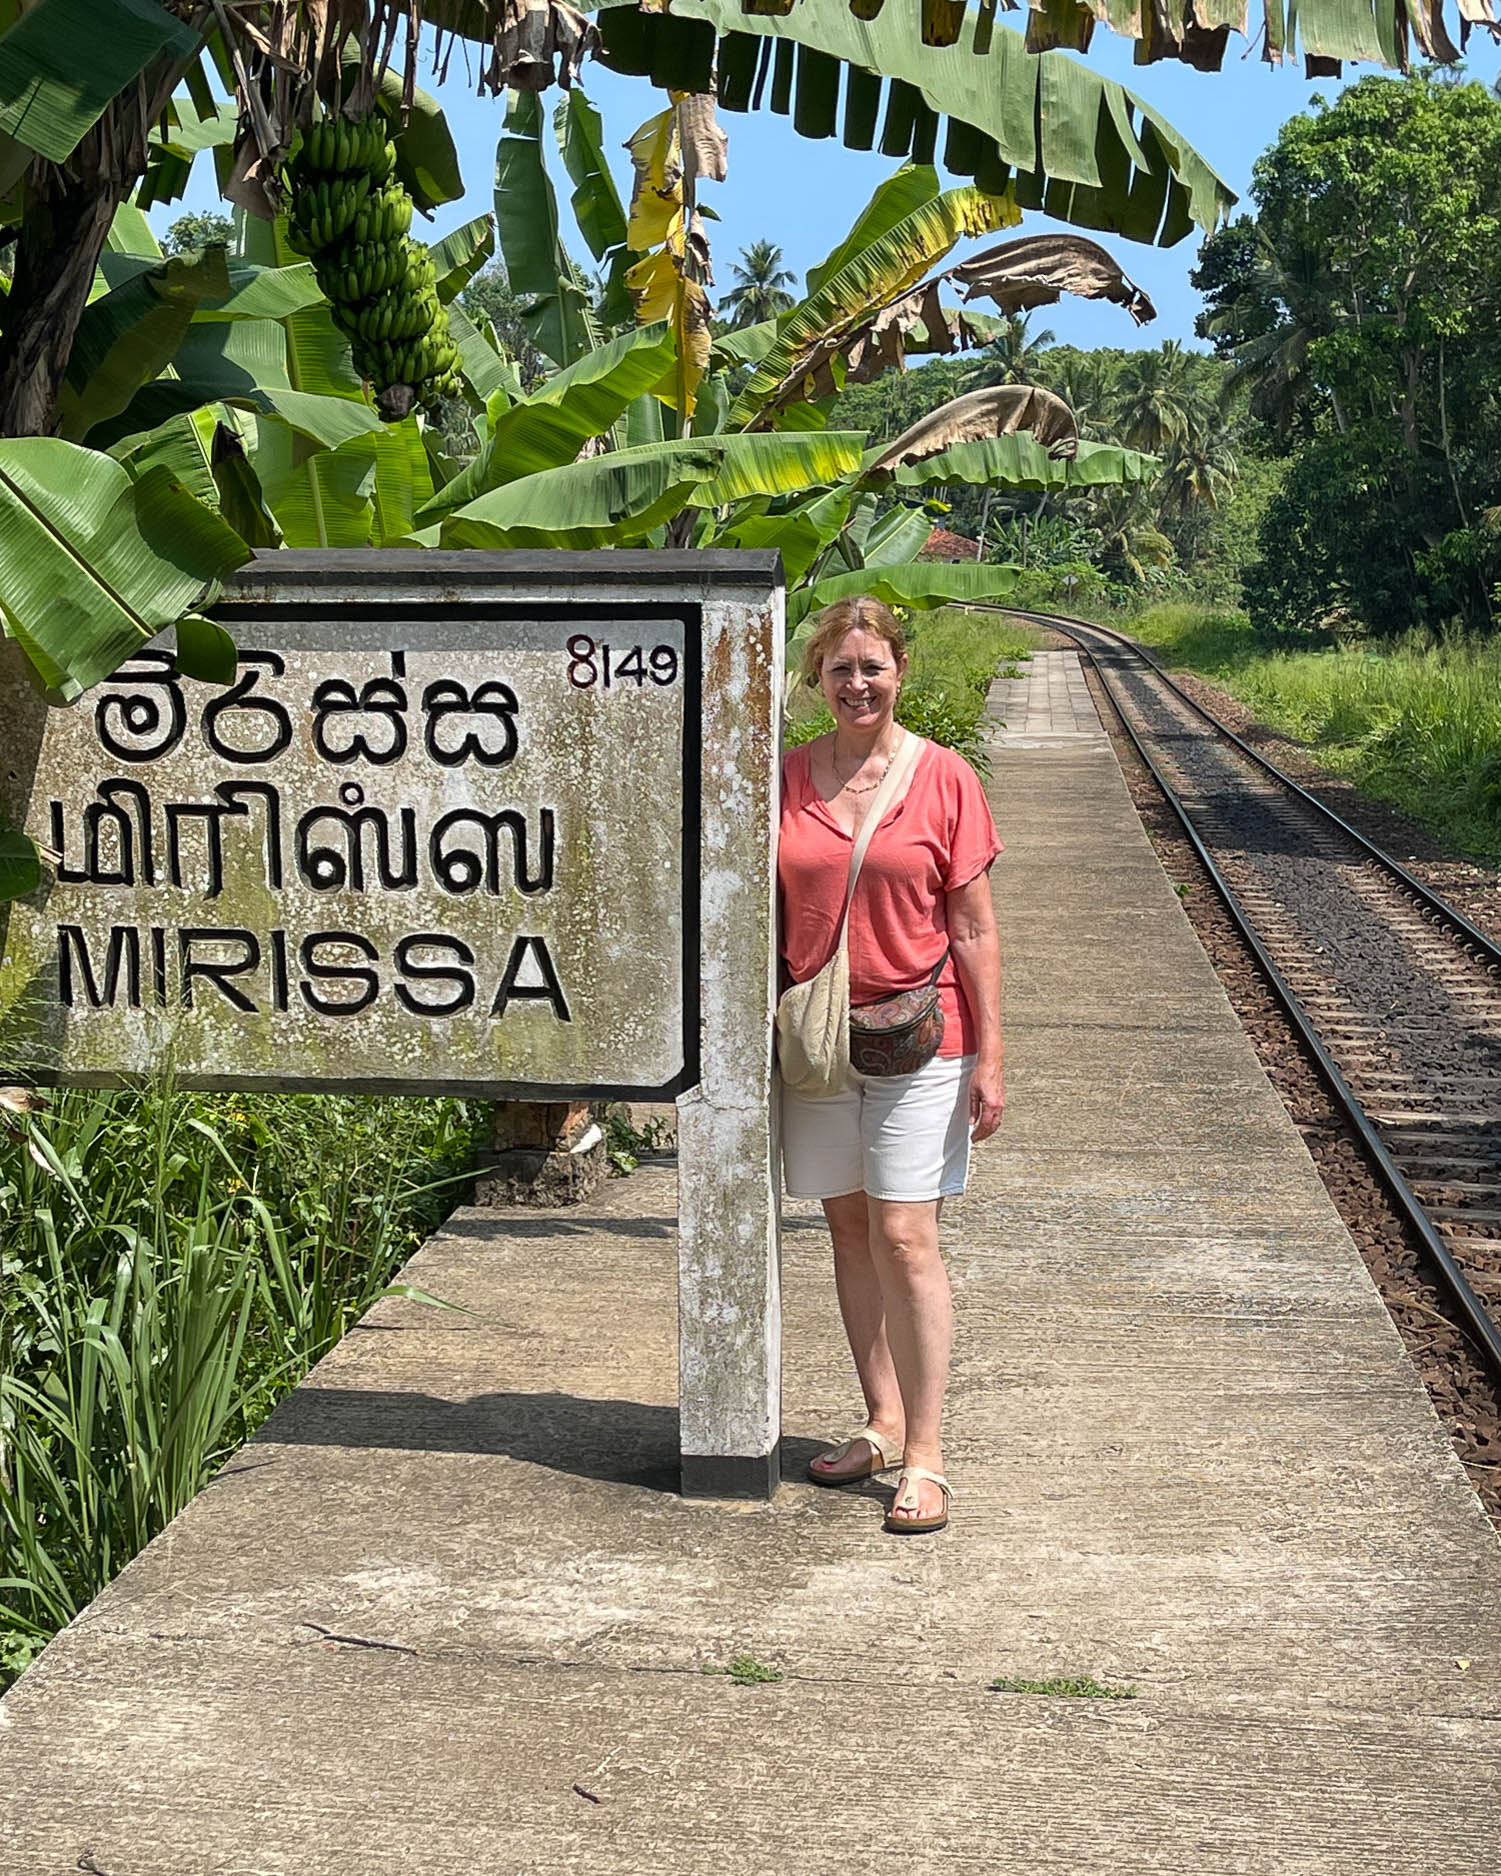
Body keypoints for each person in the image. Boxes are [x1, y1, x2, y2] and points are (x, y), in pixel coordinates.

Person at [778, 595, 1004, 1535]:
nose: (857, 683)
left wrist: (994, 1054)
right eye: (840, 668)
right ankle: (878, 1421)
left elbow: (974, 927)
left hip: (923, 1037)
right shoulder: (785, 778)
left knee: (905, 1236)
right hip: (819, 1040)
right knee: (847, 1232)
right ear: (815, 681)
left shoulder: (944, 779)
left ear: (899, 673)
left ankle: (926, 1455)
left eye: (872, 666)